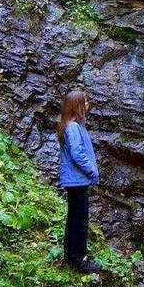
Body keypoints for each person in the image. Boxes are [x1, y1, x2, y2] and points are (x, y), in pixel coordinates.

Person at [57, 89, 101, 272]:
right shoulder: (74, 127)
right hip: (78, 180)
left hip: (75, 181)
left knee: (74, 219)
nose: (87, 105)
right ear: (77, 105)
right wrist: (92, 170)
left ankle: (70, 256)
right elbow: (77, 153)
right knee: (80, 221)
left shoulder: (70, 125)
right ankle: (79, 260)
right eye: (85, 102)